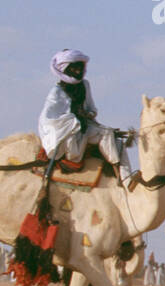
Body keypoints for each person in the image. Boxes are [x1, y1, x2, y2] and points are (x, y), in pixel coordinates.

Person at [38, 49, 134, 187]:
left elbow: (92, 109)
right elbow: (50, 120)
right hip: (67, 132)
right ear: (65, 69)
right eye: (75, 68)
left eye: (80, 67)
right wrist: (75, 120)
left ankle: (121, 175)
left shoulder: (84, 85)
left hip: (86, 126)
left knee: (109, 135)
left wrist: (87, 115)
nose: (78, 71)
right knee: (73, 142)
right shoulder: (56, 92)